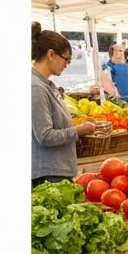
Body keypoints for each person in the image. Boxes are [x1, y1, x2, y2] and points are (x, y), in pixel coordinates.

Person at [31, 22, 96, 186]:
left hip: (56, 170)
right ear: (51, 54)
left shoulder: (44, 84)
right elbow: (45, 136)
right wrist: (78, 130)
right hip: (48, 174)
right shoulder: (36, 88)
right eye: (66, 58)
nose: (67, 64)